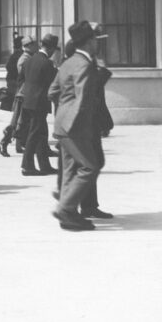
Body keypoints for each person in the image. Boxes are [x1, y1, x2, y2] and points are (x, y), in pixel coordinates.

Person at [48, 21, 109, 231]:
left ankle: (69, 214)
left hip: (62, 124)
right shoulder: (84, 65)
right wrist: (76, 125)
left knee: (70, 168)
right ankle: (65, 208)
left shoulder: (68, 62)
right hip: (76, 126)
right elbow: (83, 100)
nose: (97, 44)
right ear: (90, 42)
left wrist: (63, 113)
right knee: (89, 166)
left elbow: (52, 92)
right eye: (95, 40)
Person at [20, 34, 59, 176]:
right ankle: (27, 165)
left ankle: (44, 165)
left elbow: (22, 78)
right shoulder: (47, 63)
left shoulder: (29, 60)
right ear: (52, 48)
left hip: (28, 101)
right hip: (39, 102)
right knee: (35, 134)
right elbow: (53, 82)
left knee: (41, 134)